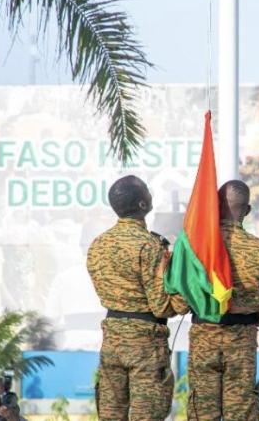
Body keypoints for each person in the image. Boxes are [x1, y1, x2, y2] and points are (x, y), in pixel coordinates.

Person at [187, 180, 259, 420]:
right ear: (247, 210)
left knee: (202, 411)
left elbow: (180, 300)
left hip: (204, 336)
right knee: (241, 411)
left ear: (215, 206)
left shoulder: (195, 248)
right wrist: (248, 318)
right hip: (242, 340)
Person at [86, 175, 183, 420]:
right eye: (148, 192)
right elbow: (161, 306)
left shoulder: (98, 244)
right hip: (145, 344)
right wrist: (185, 291)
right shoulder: (150, 246)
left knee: (110, 415)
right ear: (142, 204)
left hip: (112, 341)